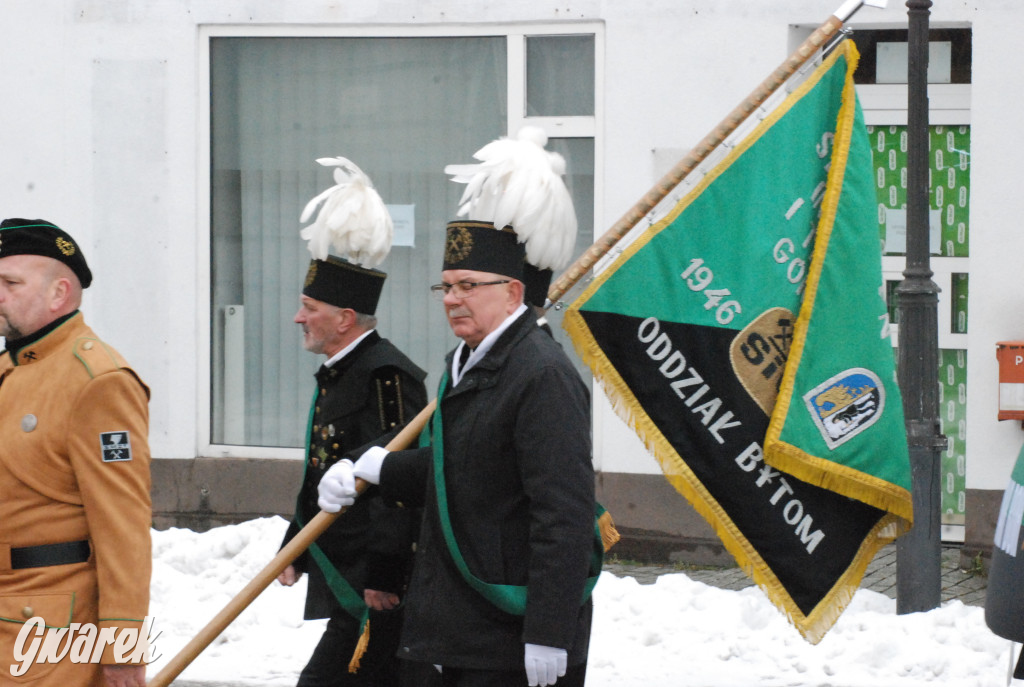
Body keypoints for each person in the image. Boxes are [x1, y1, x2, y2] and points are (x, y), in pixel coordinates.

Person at [318, 220, 597, 687]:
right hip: (464, 628)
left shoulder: (541, 374)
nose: (451, 299)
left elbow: (563, 512)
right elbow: (468, 469)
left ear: (512, 293)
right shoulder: (468, 362)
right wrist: (373, 466)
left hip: (510, 628)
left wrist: (550, 630)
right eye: (445, 287)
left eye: (468, 286)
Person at [277, 157, 430, 687]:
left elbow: (399, 477)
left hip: (372, 579)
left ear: (345, 319)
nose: (298, 317)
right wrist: (294, 544)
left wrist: (386, 574)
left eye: (308, 307)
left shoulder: (387, 375)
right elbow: (324, 468)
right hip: (343, 562)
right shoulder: (341, 371)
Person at [0, 218, 152, 687]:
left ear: (59, 293)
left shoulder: (98, 381)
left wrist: (123, 647)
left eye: (10, 283)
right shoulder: (12, 367)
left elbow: (123, 524)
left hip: (49, 631)